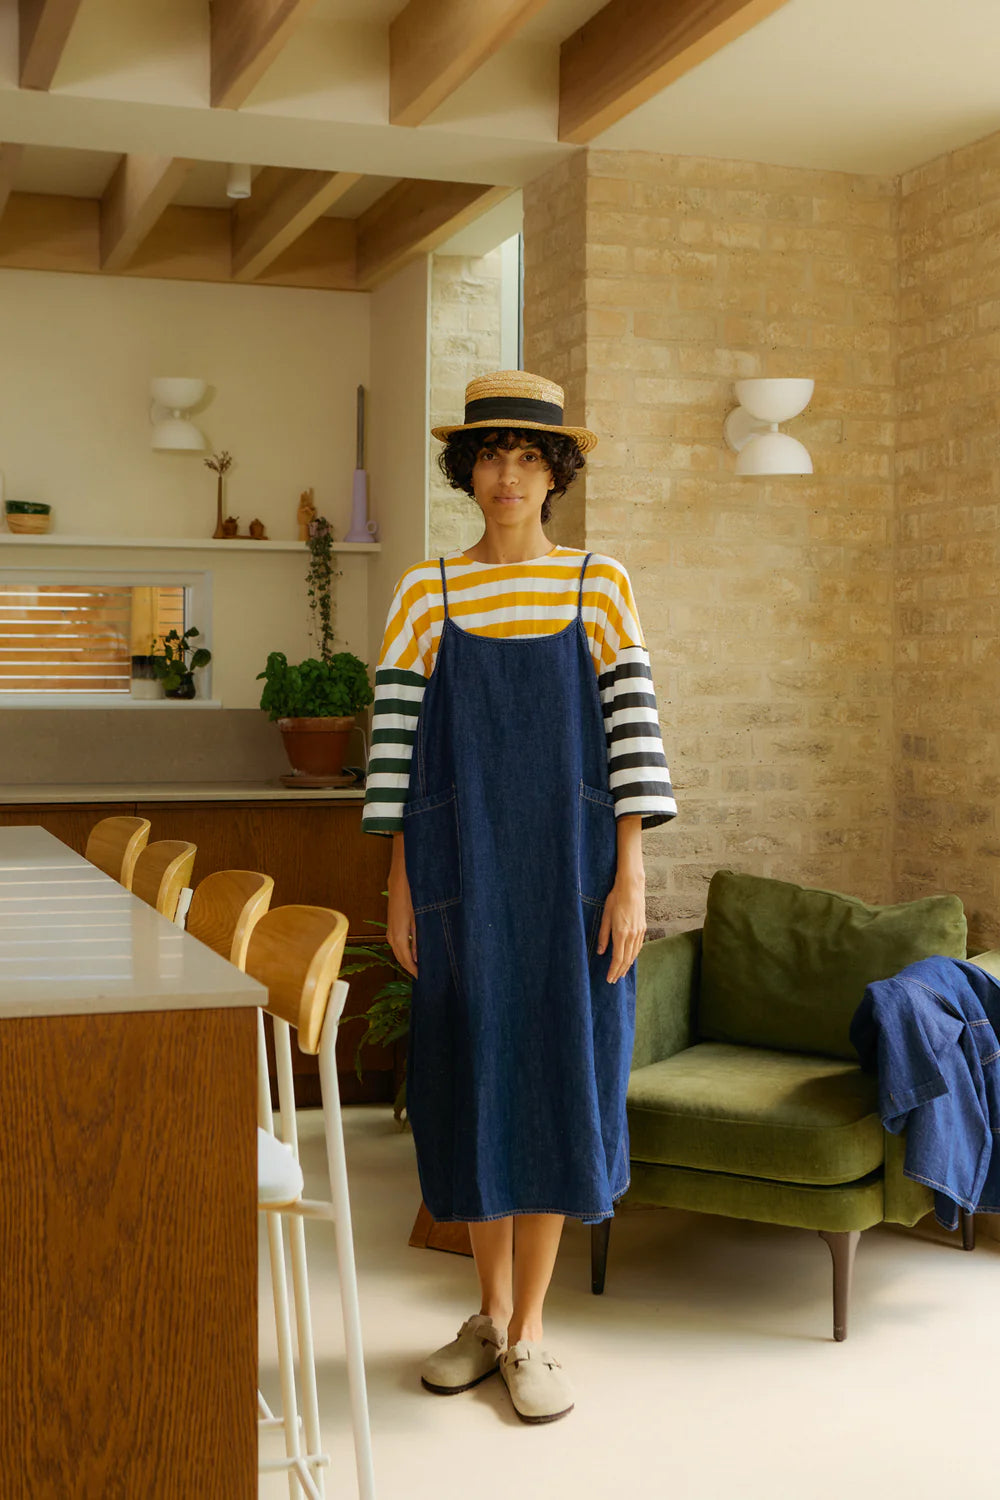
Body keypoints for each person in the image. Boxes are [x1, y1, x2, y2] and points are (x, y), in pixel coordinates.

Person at [362, 370, 676, 1424]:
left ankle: (534, 1333)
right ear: (468, 471)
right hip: (456, 874)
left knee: (556, 1076)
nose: (508, 475)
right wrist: (400, 883)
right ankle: (487, 1319)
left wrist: (630, 875)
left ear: (555, 475)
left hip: (577, 877)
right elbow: (396, 753)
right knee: (473, 1079)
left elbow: (633, 733)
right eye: (491, 455)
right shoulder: (427, 593)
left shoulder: (598, 583)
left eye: (529, 458)